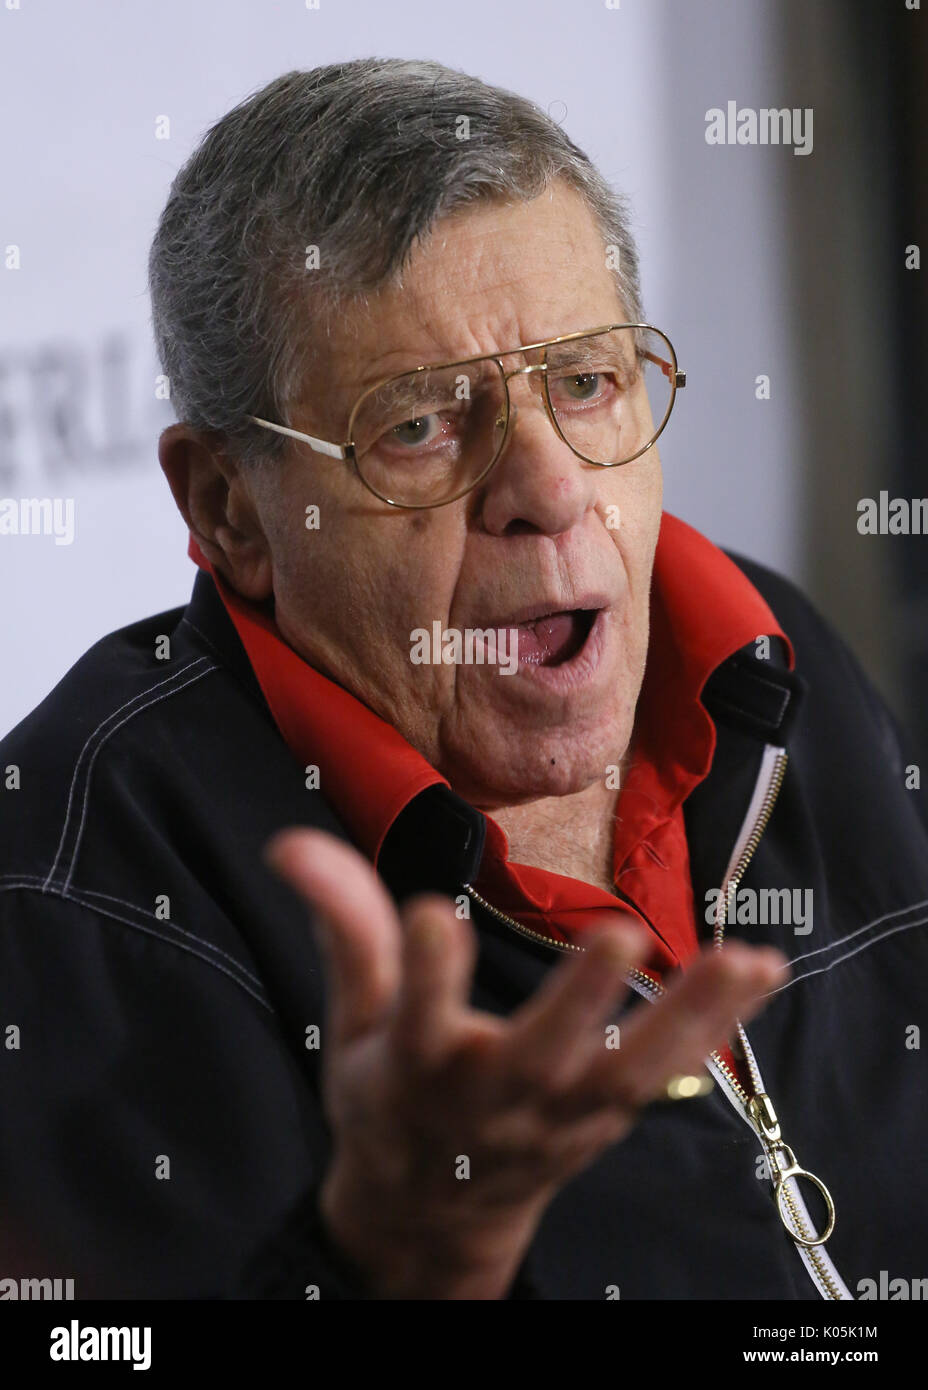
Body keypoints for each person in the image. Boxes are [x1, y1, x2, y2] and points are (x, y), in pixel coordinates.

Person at [1, 58, 926, 1302]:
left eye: (587, 384)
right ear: (230, 510)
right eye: (421, 425)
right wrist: (398, 1260)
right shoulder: (69, 897)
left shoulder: (770, 660)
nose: (549, 491)